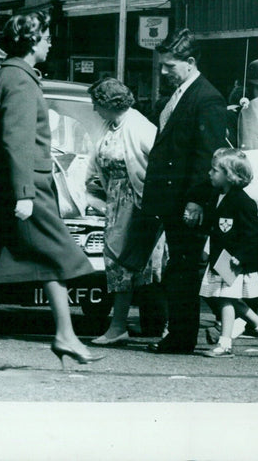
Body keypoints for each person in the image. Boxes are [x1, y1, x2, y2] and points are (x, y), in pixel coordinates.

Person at [0, 11, 103, 370]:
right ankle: (65, 335)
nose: (50, 42)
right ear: (31, 42)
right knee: (61, 255)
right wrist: (24, 193)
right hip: (25, 188)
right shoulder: (21, 81)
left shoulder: (9, 75)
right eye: (45, 36)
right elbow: (18, 139)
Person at [142, 28, 228, 354]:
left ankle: (180, 337)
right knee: (177, 268)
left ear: (190, 63)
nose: (163, 72)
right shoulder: (182, 95)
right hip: (172, 199)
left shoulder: (207, 99)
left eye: (170, 66)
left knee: (183, 270)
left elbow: (206, 156)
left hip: (186, 201)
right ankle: (177, 335)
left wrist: (196, 199)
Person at [85, 78, 165, 346]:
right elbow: (96, 159)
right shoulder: (110, 125)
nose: (94, 110)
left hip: (137, 203)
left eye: (97, 104)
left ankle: (125, 325)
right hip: (116, 202)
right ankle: (120, 325)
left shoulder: (139, 126)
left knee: (131, 263)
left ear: (109, 103)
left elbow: (158, 160)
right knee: (119, 263)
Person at [200, 148, 258, 357]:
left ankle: (225, 344)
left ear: (230, 175)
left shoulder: (243, 202)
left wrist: (240, 256)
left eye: (215, 170)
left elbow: (253, 234)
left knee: (225, 299)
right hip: (221, 258)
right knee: (231, 299)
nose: (210, 173)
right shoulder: (218, 196)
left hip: (232, 260)